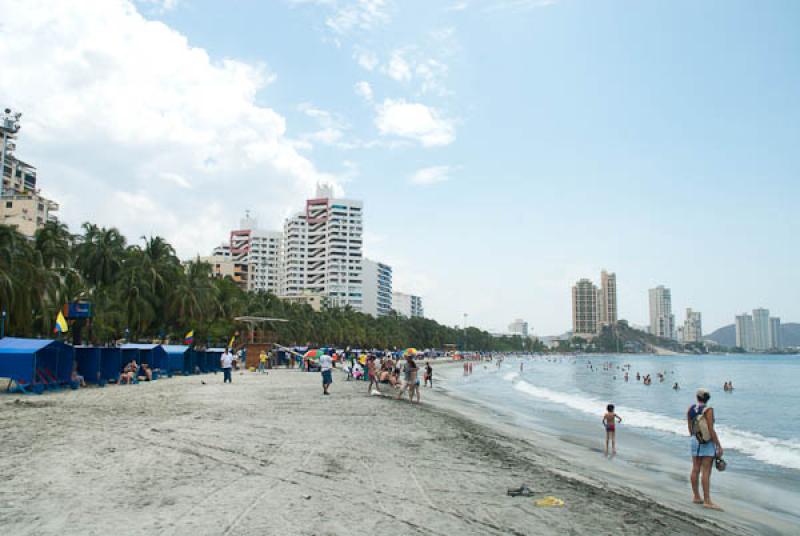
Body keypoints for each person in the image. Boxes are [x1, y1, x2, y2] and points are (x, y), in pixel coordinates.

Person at [688, 388, 723, 510]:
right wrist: (718, 445)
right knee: (706, 471)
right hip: (706, 442)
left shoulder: (691, 409)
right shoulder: (708, 410)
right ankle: (707, 500)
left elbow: (690, 428)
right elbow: (710, 429)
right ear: (708, 398)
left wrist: (695, 438)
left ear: (697, 397)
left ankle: (696, 496)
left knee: (695, 468)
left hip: (694, 439)